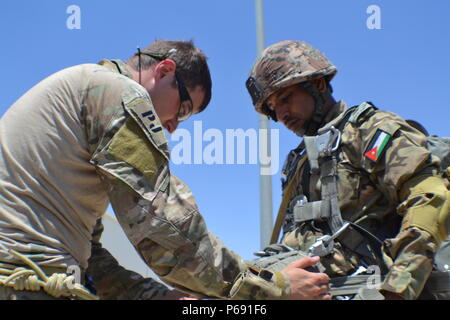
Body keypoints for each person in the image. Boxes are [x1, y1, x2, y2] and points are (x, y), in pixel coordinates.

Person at [0, 39, 331, 300]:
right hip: (24, 283)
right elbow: (164, 230)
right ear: (165, 70)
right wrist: (277, 290)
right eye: (183, 109)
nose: (172, 127)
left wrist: (162, 296)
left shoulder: (82, 95)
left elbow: (94, 260)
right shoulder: (117, 91)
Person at [245, 40, 450, 300]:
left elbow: (431, 199)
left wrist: (398, 289)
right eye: (274, 108)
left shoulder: (369, 129)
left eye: (286, 98)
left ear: (317, 84)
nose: (282, 113)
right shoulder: (299, 161)